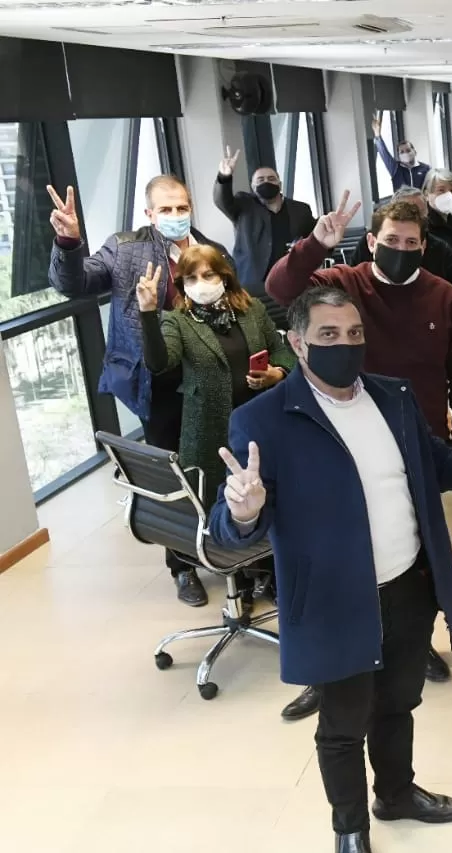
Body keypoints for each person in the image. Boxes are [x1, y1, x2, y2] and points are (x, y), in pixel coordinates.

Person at [208, 286, 452, 853]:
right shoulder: (263, 420)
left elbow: (432, 469)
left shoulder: (393, 397)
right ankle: (350, 829)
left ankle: (395, 792)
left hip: (407, 585)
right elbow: (231, 527)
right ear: (298, 344)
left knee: (399, 702)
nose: (345, 346)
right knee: (344, 725)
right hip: (334, 600)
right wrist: (244, 513)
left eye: (354, 335)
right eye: (328, 336)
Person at [267, 194, 452, 708]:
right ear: (371, 242)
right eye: (391, 241)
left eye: (411, 243)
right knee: (342, 552)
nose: (401, 250)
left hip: (417, 440)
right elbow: (279, 288)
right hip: (339, 439)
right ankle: (331, 670)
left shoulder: (443, 295)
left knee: (413, 549)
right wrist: (316, 244)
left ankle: (415, 643)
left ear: (424, 247)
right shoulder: (344, 284)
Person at [47, 176, 230, 607]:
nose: (174, 216)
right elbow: (75, 283)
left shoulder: (210, 251)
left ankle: (227, 544)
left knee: (218, 462)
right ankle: (183, 566)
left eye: (181, 207)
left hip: (207, 374)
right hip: (157, 380)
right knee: (174, 471)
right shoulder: (125, 248)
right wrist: (69, 243)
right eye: (164, 210)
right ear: (149, 214)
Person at [137, 245, 294, 607]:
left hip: (257, 424)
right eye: (191, 278)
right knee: (215, 503)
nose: (201, 283)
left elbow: (282, 349)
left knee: (262, 495)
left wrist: (276, 372)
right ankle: (220, 574)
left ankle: (263, 572)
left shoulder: (251, 309)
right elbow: (160, 362)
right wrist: (147, 315)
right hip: (208, 429)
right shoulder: (177, 320)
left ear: (225, 275)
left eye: (208, 275)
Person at [212, 147, 317, 331]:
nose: (266, 182)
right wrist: (224, 176)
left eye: (271, 179)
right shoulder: (243, 206)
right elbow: (222, 200)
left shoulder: (301, 210)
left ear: (280, 184)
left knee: (298, 325)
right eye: (260, 180)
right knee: (257, 330)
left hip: (291, 280)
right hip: (253, 283)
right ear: (253, 187)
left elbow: (313, 240)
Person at [352, 186, 452, 310]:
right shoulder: (372, 243)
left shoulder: (439, 249)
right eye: (392, 240)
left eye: (419, 213)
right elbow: (349, 290)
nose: (412, 219)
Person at [371, 113, 429, 191]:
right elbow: (384, 154)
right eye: (402, 152)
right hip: (401, 203)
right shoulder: (395, 168)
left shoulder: (425, 168)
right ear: (399, 156)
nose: (405, 153)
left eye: (408, 150)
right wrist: (377, 135)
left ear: (414, 151)